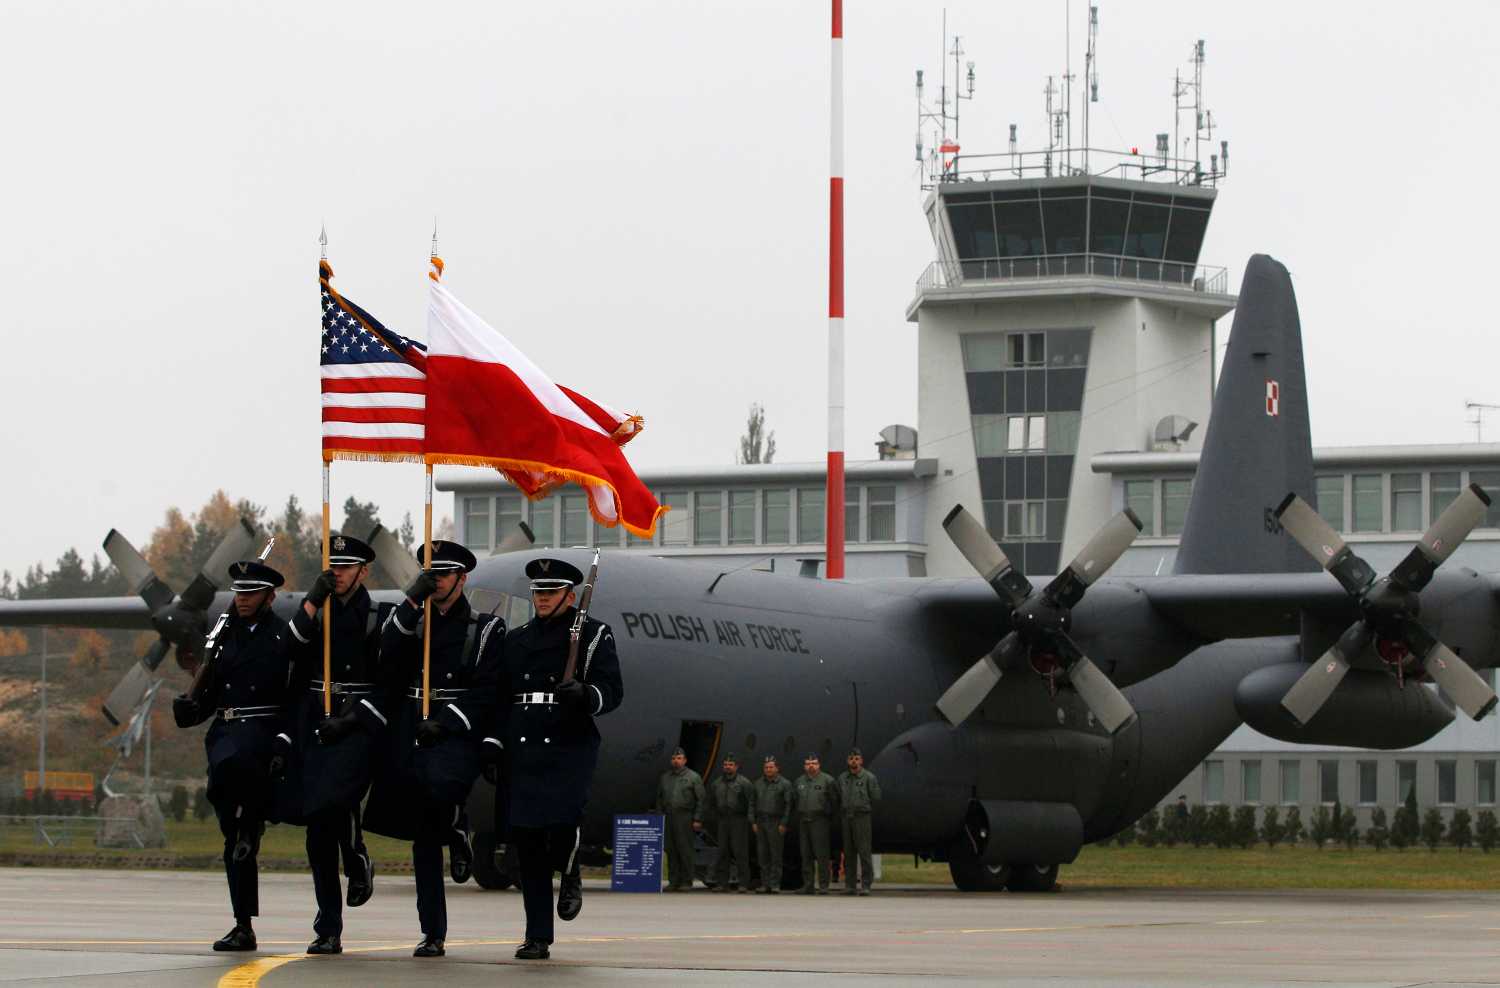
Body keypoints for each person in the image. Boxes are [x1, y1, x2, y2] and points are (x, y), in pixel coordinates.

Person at [365, 540, 504, 959]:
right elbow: (386, 648)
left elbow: (488, 691)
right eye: (431, 574)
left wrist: (445, 722)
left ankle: (457, 825)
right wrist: (412, 598)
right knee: (422, 840)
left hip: (454, 729)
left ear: (462, 579)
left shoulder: (484, 629)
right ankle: (432, 932)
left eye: (443, 574)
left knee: (444, 789)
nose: (437, 581)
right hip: (412, 725)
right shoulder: (413, 621)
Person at [489, 557, 623, 962]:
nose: (542, 599)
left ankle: (570, 869)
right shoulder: (516, 639)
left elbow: (612, 691)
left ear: (570, 594)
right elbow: (500, 697)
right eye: (538, 592)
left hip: (568, 742)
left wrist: (585, 694)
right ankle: (537, 935)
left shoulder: (594, 634)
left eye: (550, 592)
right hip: (524, 744)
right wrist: (494, 743)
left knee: (564, 824)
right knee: (528, 843)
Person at [171, 559, 295, 952]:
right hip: (225, 739)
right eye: (239, 592)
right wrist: (192, 710)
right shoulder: (222, 637)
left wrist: (284, 741)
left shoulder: (283, 638)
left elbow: (292, 696)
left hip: (261, 739)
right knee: (232, 837)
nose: (243, 600)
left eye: (252, 593)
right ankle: (243, 924)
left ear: (270, 596)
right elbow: (213, 692)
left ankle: (251, 826)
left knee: (246, 824)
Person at [278, 534, 385, 954]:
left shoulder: (376, 615)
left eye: (346, 567)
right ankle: (328, 924)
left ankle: (356, 854)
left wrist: (355, 718)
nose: (337, 574)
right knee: (318, 831)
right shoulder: (315, 611)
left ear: (363, 571)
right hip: (316, 719)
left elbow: (387, 675)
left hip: (355, 722)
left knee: (335, 801)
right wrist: (310, 600)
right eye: (333, 567)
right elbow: (289, 646)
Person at [655, 747, 705, 892]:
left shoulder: (693, 777)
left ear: (684, 760)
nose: (676, 761)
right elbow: (659, 798)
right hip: (669, 816)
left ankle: (686, 881)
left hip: (685, 817)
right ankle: (673, 881)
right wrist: (659, 815)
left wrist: (697, 819)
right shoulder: (665, 777)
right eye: (674, 759)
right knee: (671, 850)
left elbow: (701, 800)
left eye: (679, 758)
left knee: (685, 849)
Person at [837, 747, 881, 896]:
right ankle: (850, 886)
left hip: (862, 817)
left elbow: (876, 797)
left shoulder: (869, 777)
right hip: (846, 817)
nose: (853, 761)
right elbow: (838, 797)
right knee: (848, 853)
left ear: (861, 761)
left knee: (864, 852)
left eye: (856, 759)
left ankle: (866, 885)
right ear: (847, 761)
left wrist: (864, 806)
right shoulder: (843, 778)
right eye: (851, 759)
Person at [794, 752, 839, 895]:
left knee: (822, 855)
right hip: (804, 821)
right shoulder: (799, 782)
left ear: (818, 765)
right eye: (808, 764)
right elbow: (795, 800)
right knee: (806, 854)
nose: (811, 766)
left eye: (813, 763)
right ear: (804, 766)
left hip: (820, 821)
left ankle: (824, 885)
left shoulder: (827, 781)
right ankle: (808, 885)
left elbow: (835, 801)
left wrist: (827, 817)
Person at [709, 754, 755, 893]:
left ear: (736, 767)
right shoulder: (717, 783)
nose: (727, 767)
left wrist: (750, 820)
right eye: (725, 765)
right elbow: (711, 802)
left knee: (740, 852)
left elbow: (751, 803)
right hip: (723, 820)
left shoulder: (744, 783)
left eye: (730, 765)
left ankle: (743, 884)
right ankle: (723, 883)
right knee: (723, 851)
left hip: (738, 820)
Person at [752, 755, 793, 894]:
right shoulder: (757, 783)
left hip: (776, 822)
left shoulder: (784, 784)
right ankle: (765, 884)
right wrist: (753, 821)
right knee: (763, 855)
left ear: (777, 768)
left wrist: (784, 823)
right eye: (766, 767)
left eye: (771, 767)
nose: (768, 769)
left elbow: (788, 805)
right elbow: (752, 803)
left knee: (775, 855)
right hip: (761, 821)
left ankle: (775, 884)